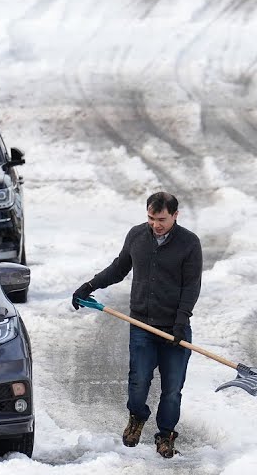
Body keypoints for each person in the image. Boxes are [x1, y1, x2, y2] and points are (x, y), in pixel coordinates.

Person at [72, 191, 203, 458]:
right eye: (151, 218)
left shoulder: (189, 243)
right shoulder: (137, 236)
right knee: (138, 382)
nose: (156, 224)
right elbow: (119, 268)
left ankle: (165, 435)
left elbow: (192, 286)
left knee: (172, 389)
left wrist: (181, 321)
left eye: (162, 219)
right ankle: (137, 416)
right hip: (142, 325)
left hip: (174, 328)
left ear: (175, 216)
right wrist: (88, 286)